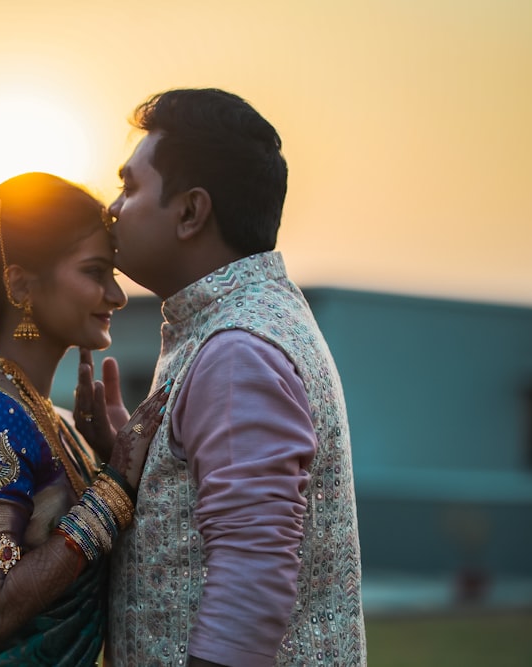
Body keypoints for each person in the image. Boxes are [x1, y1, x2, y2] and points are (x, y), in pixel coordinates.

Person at [74, 89, 367, 666]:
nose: (111, 208)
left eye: (130, 188)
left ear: (190, 212)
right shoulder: (243, 324)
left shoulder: (236, 352)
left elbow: (252, 573)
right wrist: (127, 463)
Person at [0, 172, 172, 666]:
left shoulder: (45, 414)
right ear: (21, 285)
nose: (116, 296)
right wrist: (113, 486)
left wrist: (102, 452)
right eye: (95, 272)